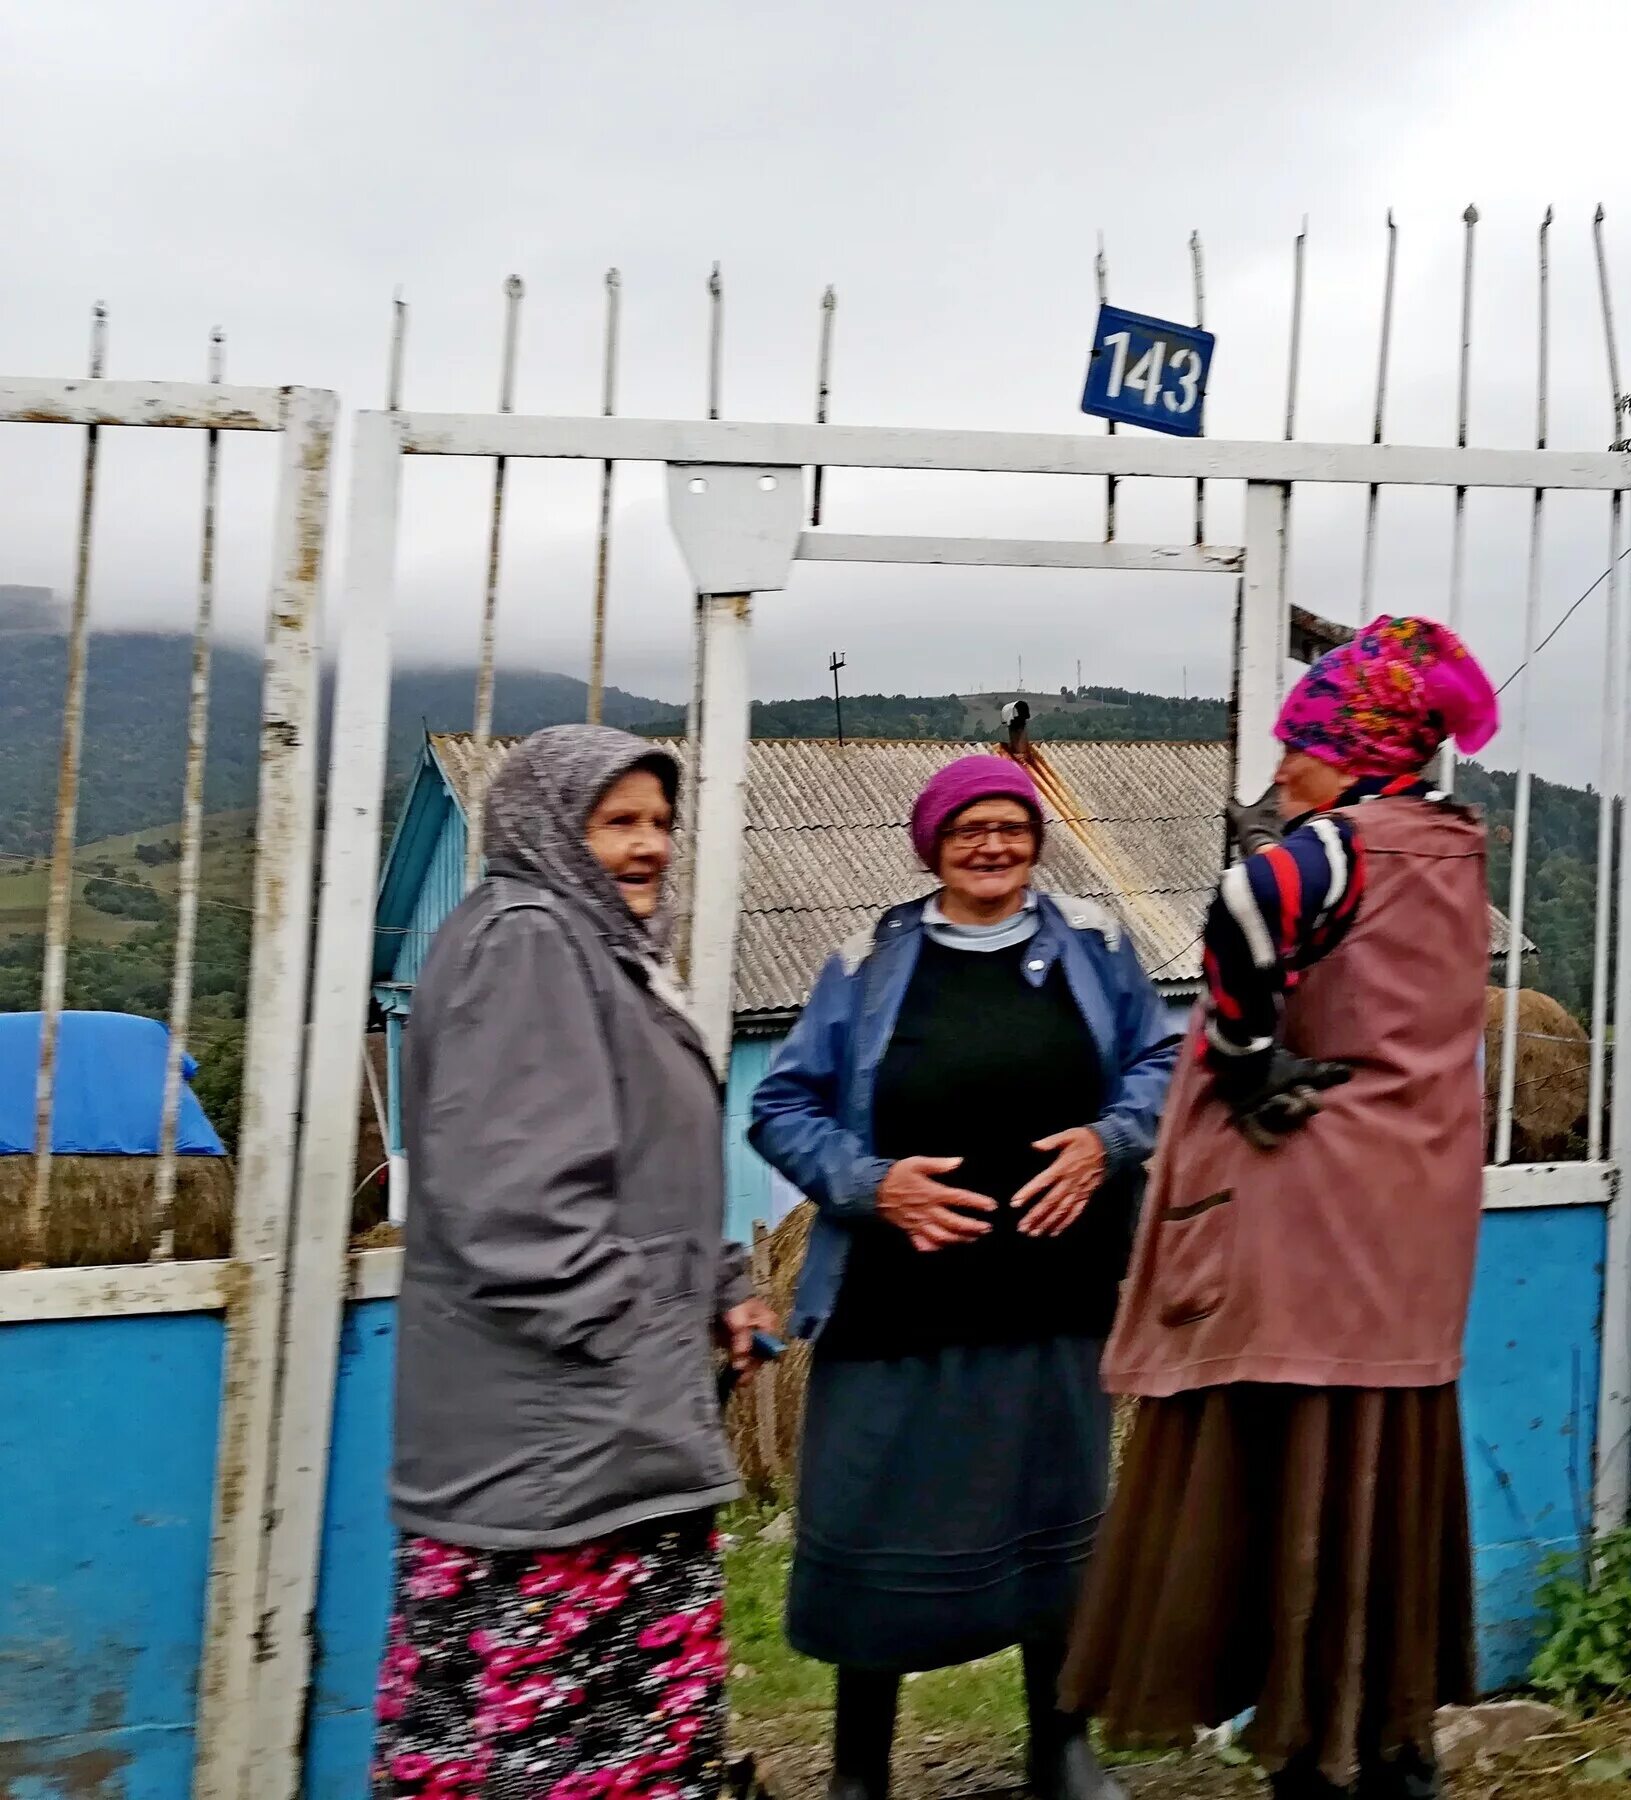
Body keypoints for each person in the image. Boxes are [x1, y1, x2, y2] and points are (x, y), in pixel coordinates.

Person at [1060, 616, 1503, 1800]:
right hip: (1412, 1223)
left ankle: (1313, 1751)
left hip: (1319, 1220)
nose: (1283, 772)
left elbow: (1246, 905)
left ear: (1354, 748)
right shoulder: (1456, 849)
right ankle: (1386, 1742)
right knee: (1381, 1472)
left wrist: (1248, 1053)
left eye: (1299, 746)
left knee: (1300, 1465)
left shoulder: (1342, 845)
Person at [750, 753, 1179, 1800]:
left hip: (1052, 1296)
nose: (993, 846)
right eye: (967, 829)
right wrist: (873, 1183)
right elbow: (781, 1105)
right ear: (931, 843)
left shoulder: (1095, 946)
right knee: (873, 1525)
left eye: (1013, 827)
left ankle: (1060, 1746)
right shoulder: (869, 961)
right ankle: (861, 1773)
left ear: (1038, 839)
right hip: (901, 1305)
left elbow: (1163, 1066)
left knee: (1055, 1521)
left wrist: (1108, 1143)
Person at [377, 725, 776, 1800]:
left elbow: (642, 1168)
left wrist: (722, 1288)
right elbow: (517, 1211)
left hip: (594, 1448)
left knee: (601, 1756)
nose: (649, 846)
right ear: (550, 827)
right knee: (552, 1760)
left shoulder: (592, 947)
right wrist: (645, 1334)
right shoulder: (528, 942)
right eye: (618, 822)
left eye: (660, 822)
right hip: (558, 1457)